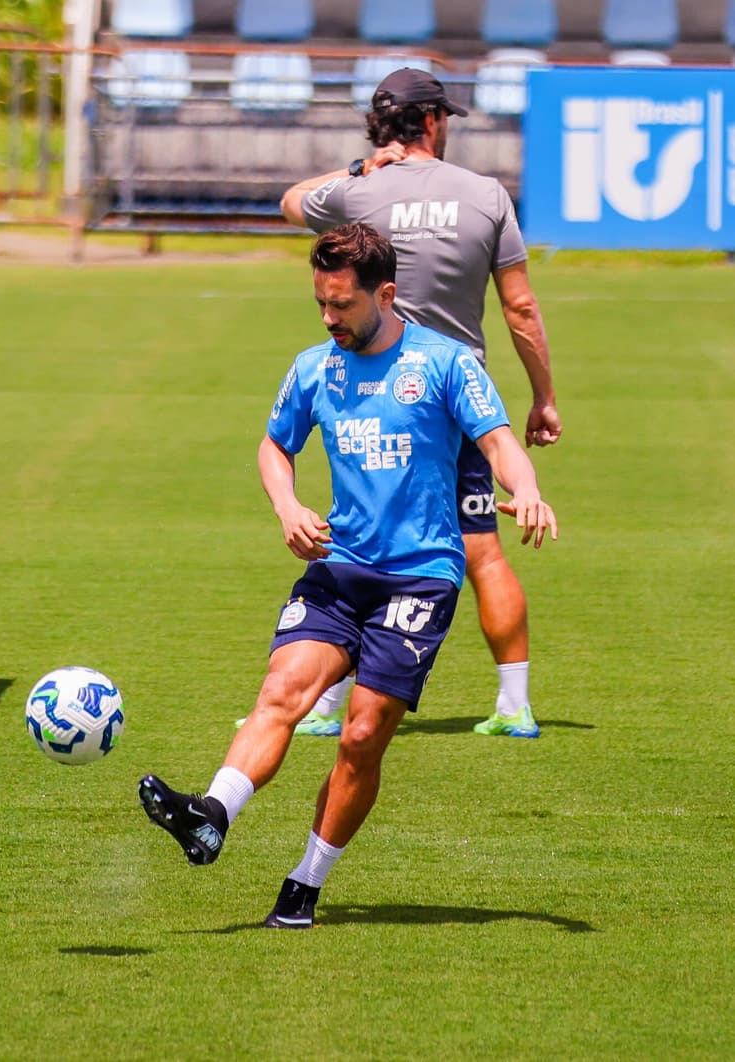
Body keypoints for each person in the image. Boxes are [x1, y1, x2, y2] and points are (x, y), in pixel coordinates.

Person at [139, 223, 557, 929]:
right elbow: (275, 447)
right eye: (320, 305)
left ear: (384, 293)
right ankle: (211, 816)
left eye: (342, 305)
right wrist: (287, 504)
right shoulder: (313, 369)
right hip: (340, 569)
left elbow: (497, 442)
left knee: (361, 736)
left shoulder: (447, 364)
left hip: (421, 579)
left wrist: (532, 490)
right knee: (280, 692)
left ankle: (304, 885)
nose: (329, 319)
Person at [276, 66, 562, 740]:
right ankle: (514, 703)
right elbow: (519, 307)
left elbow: (290, 202)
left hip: (372, 392)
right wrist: (543, 397)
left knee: (361, 538)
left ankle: (318, 702)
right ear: (432, 120)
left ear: (383, 126)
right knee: (482, 550)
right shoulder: (486, 194)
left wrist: (357, 169)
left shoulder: (359, 190)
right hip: (457, 398)